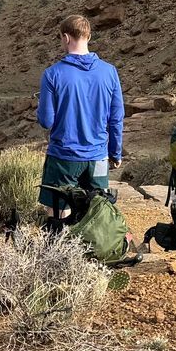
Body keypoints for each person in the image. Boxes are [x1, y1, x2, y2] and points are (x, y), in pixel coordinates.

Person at [37, 13, 125, 221]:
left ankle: (63, 250)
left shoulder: (52, 74)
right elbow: (116, 117)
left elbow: (46, 121)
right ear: (89, 36)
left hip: (63, 157)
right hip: (99, 156)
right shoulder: (110, 72)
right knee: (98, 209)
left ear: (66, 38)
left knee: (58, 211)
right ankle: (96, 250)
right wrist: (116, 152)